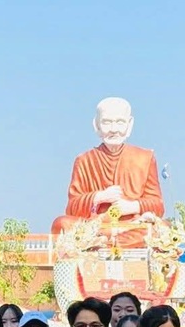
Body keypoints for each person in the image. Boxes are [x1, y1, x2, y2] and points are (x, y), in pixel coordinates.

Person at [50, 97, 165, 248]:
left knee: (162, 228)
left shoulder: (145, 157)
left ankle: (103, 243)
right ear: (96, 125)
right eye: (107, 122)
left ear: (129, 124)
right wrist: (99, 197)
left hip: (132, 225)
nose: (113, 129)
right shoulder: (84, 160)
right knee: (61, 224)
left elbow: (158, 205)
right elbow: (72, 207)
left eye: (120, 122)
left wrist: (131, 206)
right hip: (96, 226)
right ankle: (107, 241)